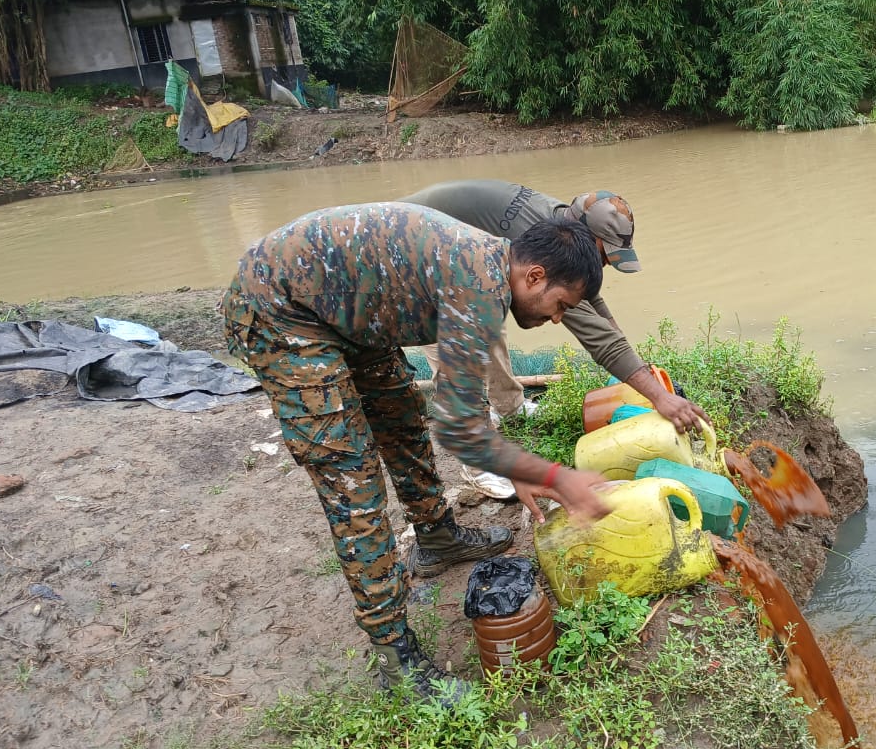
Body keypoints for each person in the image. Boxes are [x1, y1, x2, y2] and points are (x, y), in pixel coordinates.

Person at [221, 203, 612, 700]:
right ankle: (395, 659)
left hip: (348, 314)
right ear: (534, 276)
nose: (558, 319)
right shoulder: (478, 290)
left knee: (401, 417)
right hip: (281, 311)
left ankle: (437, 537)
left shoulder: (489, 271)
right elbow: (462, 429)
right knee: (352, 478)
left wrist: (518, 469)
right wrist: (558, 477)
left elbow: (456, 419)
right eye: (561, 304)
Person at [402, 179, 707, 432]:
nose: (604, 266)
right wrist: (659, 397)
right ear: (587, 237)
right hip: (413, 253)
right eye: (605, 256)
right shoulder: (548, 247)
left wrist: (634, 359)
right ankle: (472, 444)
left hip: (450, 247)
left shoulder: (565, 221)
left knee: (490, 320)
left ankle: (510, 408)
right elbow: (598, 338)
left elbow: (590, 302)